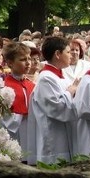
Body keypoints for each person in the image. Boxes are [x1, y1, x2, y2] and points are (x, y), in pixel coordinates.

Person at [27, 36, 80, 165]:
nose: (71, 56)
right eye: (68, 52)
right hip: (53, 139)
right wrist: (71, 91)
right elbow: (57, 108)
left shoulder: (60, 76)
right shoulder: (46, 79)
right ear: (57, 54)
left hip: (64, 134)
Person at [0, 42, 35, 152]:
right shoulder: (3, 87)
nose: (28, 63)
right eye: (23, 59)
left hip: (31, 133)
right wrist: (22, 116)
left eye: (29, 59)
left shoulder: (32, 85)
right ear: (10, 63)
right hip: (14, 135)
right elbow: (1, 117)